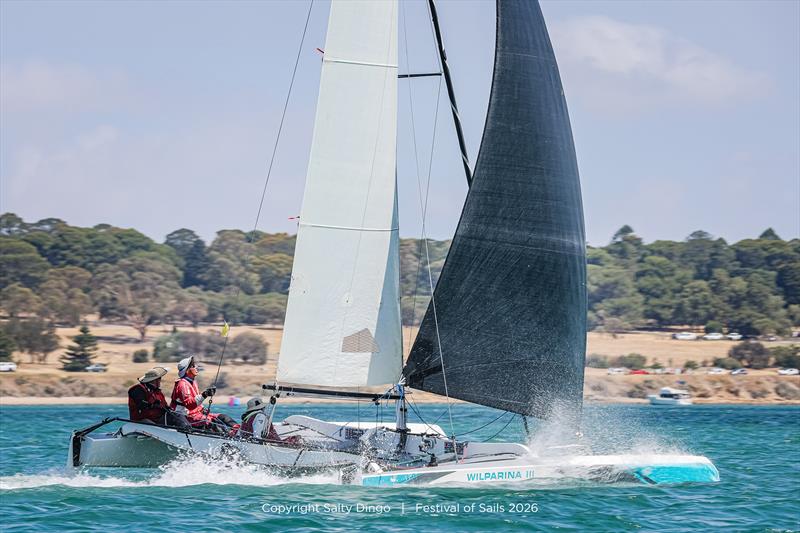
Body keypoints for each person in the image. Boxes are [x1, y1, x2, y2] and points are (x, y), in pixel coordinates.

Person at [170, 355, 236, 433]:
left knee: (223, 417)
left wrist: (202, 408)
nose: (196, 367)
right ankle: (227, 436)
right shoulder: (182, 384)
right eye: (193, 366)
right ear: (187, 371)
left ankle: (237, 431)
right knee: (211, 422)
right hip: (185, 416)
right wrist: (205, 394)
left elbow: (196, 400)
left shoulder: (193, 382)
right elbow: (190, 405)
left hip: (196, 414)